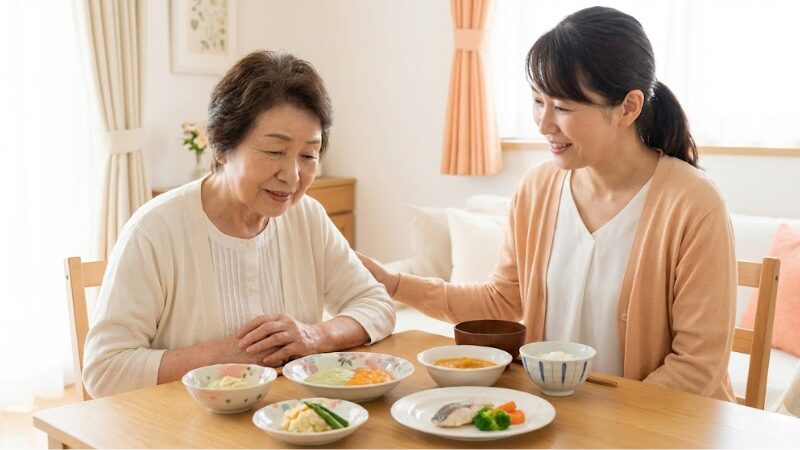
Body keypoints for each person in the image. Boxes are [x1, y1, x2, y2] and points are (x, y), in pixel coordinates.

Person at [359, 6, 736, 400]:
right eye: (538, 101)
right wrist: (395, 284)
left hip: (655, 428)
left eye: (564, 108)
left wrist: (605, 427)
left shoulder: (694, 204)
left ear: (628, 107)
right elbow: (503, 300)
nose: (543, 124)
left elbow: (697, 366)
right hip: (556, 417)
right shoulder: (539, 187)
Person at [83, 50, 395, 398]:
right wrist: (225, 357)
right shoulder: (155, 230)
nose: (292, 176)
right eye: (275, 152)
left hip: (287, 419)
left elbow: (376, 305)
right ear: (220, 146)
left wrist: (315, 335)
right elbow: (104, 370)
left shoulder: (307, 216)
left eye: (308, 155)